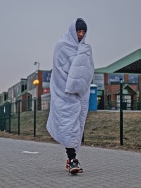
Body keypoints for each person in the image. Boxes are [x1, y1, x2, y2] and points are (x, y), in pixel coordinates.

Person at [46, 18, 94, 174]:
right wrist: (69, 86)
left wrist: (80, 85)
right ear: (73, 31)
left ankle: (71, 159)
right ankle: (72, 160)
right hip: (64, 93)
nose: (81, 34)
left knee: (77, 126)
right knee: (68, 124)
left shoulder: (86, 48)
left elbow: (89, 69)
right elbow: (58, 69)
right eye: (78, 31)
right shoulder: (62, 45)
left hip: (80, 94)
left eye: (83, 32)